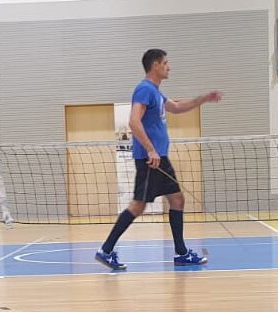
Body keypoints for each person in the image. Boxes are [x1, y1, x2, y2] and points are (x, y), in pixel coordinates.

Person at [95, 49, 222, 271]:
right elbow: (134, 121)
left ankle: (181, 253)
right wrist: (151, 150)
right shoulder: (144, 89)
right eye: (165, 63)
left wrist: (203, 99)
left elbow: (177, 107)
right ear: (155, 65)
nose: (168, 67)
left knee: (177, 200)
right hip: (150, 160)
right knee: (138, 206)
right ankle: (106, 250)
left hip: (160, 158)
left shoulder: (156, 93)